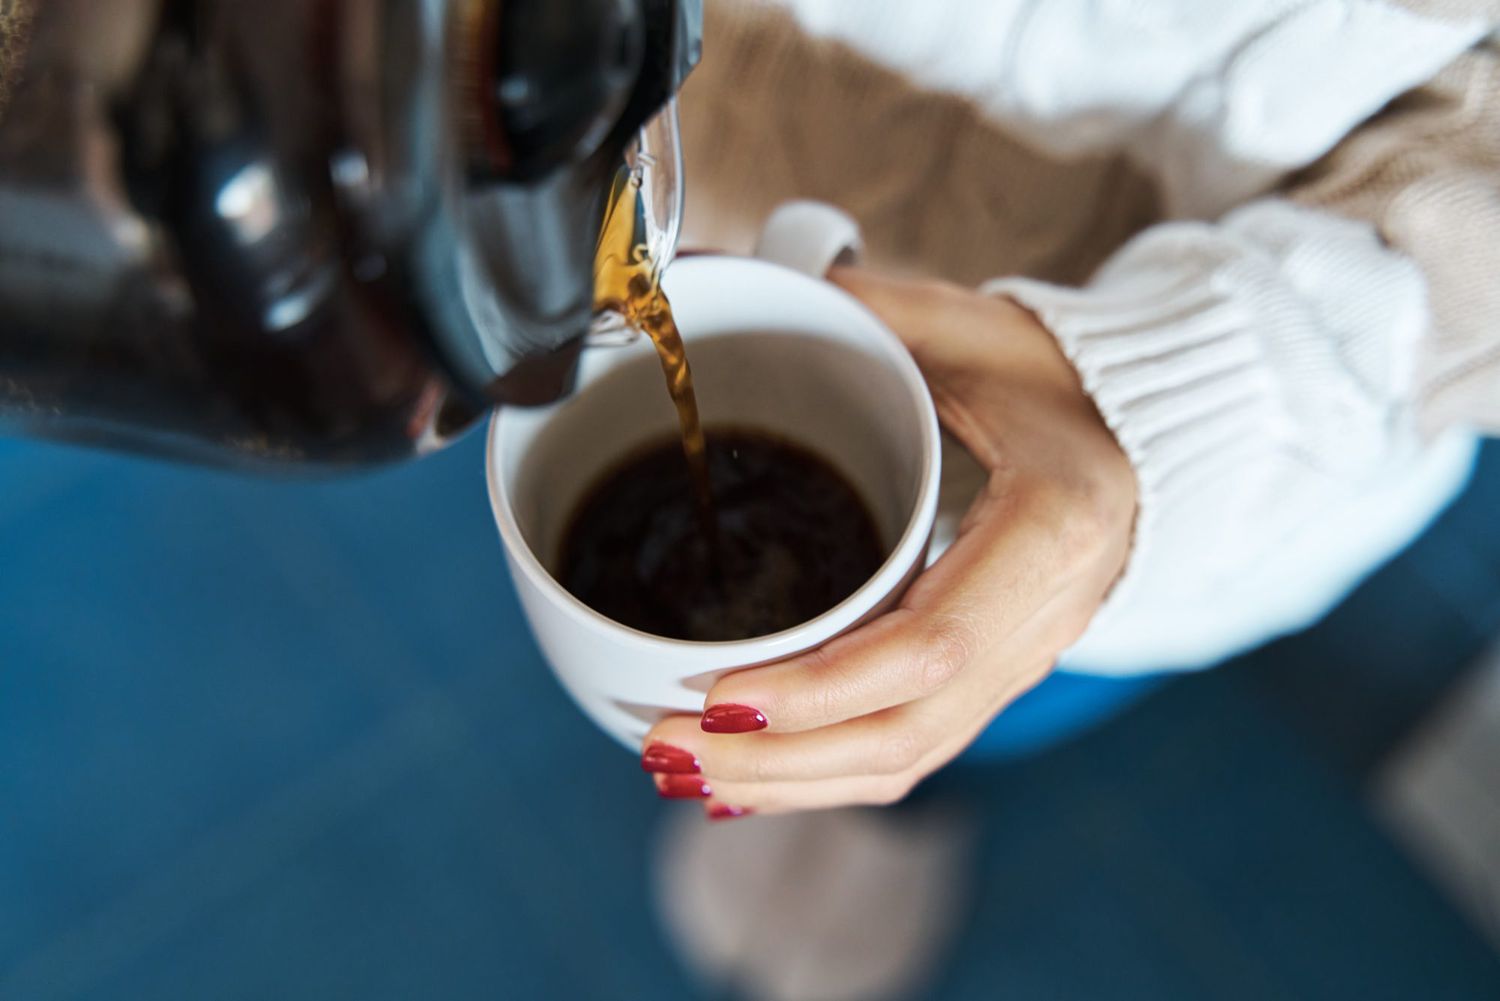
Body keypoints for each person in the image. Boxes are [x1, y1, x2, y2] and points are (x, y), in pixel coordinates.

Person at [637, 2, 1500, 997]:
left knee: (1007, 675)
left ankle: (904, 797)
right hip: (703, 188)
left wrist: (1176, 400)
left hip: (1223, 453)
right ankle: (843, 781)